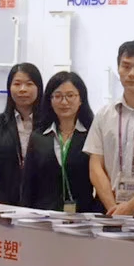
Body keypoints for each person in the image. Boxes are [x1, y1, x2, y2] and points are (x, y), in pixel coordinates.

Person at [85, 40, 134, 219]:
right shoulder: (104, 114)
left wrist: (133, 205)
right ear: (118, 68)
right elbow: (95, 164)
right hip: (108, 205)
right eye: (126, 66)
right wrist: (113, 207)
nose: (131, 74)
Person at [21, 70, 97, 212]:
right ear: (50, 100)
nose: (64, 102)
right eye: (58, 96)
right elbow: (28, 185)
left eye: (70, 95)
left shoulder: (92, 135)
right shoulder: (38, 137)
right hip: (43, 216)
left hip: (82, 216)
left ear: (81, 99)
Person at [0, 62, 42, 205]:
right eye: (17, 84)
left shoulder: (47, 124)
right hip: (6, 203)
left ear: (39, 88)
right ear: (9, 88)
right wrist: (0, 204)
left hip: (42, 203)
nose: (23, 89)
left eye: (29, 84)